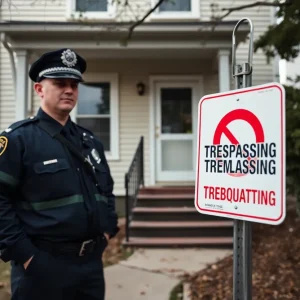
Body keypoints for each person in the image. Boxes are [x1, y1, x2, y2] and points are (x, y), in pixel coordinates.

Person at [0, 48, 119, 300]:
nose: (69, 90)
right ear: (39, 89)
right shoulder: (19, 139)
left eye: (74, 85)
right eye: (60, 84)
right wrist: (27, 255)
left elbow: (106, 191)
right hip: (43, 265)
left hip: (90, 267)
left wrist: (107, 230)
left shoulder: (90, 142)